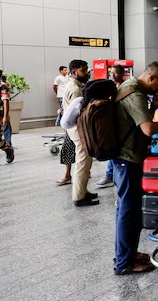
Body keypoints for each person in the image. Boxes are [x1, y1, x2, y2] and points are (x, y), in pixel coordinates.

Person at [112, 62, 158, 275]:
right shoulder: (134, 93)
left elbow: (138, 121)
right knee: (127, 210)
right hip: (126, 159)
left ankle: (129, 253)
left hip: (128, 157)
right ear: (152, 77)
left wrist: (154, 105)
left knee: (130, 209)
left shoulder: (134, 89)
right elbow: (147, 129)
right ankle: (124, 263)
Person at [63, 60, 98, 206]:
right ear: (73, 72)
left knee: (84, 162)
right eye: (83, 70)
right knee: (83, 163)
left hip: (75, 130)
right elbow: (81, 113)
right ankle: (79, 197)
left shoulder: (75, 85)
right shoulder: (75, 89)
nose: (87, 73)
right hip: (79, 131)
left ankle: (82, 190)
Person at [95, 64, 126, 189]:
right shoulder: (110, 88)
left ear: (122, 74)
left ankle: (110, 175)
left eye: (116, 73)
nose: (112, 76)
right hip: (111, 123)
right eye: (111, 73)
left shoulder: (125, 88)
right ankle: (110, 175)